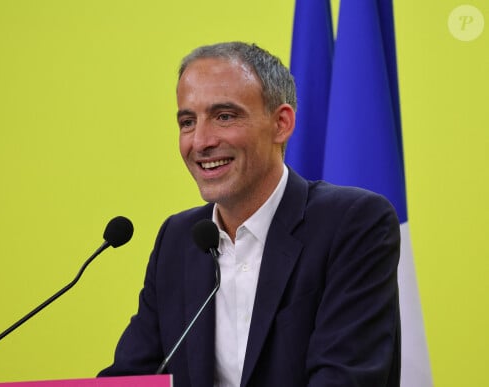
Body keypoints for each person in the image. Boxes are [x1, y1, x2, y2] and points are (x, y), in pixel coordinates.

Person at [98, 42, 401, 387]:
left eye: (224, 116)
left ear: (281, 124)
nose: (200, 141)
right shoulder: (178, 239)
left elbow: (344, 378)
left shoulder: (353, 223)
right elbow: (131, 376)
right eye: (187, 121)